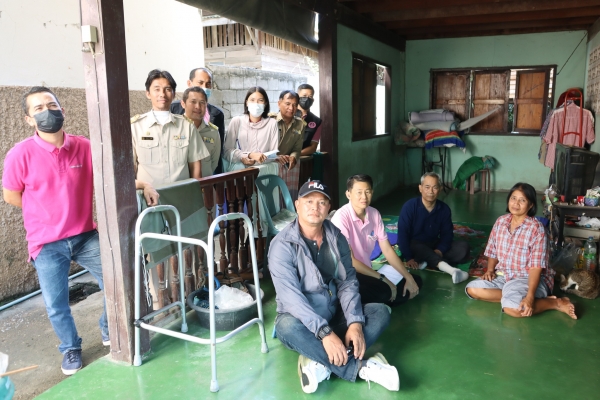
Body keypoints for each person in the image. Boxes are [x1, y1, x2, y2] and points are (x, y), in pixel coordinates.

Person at [2, 87, 109, 375]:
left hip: (85, 235)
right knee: (56, 304)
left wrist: (144, 184)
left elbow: (109, 176)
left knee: (116, 280)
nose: (46, 112)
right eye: (38, 108)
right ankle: (70, 348)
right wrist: (44, 210)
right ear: (28, 119)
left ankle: (110, 328)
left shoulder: (84, 147)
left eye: (51, 105)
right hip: (46, 243)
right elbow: (11, 195)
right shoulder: (20, 154)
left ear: (62, 110)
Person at [270, 180, 400, 394]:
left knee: (380, 312)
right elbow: (292, 300)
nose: (315, 207)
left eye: (321, 202)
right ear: (297, 205)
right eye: (309, 201)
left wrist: (355, 323)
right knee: (287, 327)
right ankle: (361, 367)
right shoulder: (282, 246)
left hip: (334, 312)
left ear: (329, 207)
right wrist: (324, 333)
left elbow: (347, 282)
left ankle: (320, 364)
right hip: (301, 321)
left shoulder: (336, 237)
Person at [465, 183, 577, 319]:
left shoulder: (536, 229)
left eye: (522, 200)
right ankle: (512, 297)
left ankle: (555, 303)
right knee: (472, 289)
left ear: (530, 205)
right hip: (504, 276)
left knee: (514, 309)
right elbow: (492, 251)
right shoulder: (501, 222)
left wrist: (530, 297)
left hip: (527, 278)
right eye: (513, 198)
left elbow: (536, 267)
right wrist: (489, 270)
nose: (516, 203)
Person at [332, 175, 422, 306]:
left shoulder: (374, 214)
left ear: (372, 192)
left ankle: (379, 299)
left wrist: (408, 277)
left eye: (367, 192)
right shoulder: (341, 218)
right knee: (384, 292)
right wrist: (382, 278)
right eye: (359, 192)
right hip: (348, 275)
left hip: (368, 272)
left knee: (415, 281)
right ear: (348, 194)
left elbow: (387, 250)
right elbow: (350, 261)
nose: (364, 197)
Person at [131, 69, 209, 189]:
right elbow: (130, 170)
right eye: (157, 89)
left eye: (167, 89)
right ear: (148, 94)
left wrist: (195, 192)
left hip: (181, 195)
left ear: (173, 94)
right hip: (148, 197)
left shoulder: (187, 126)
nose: (162, 94)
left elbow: (195, 167)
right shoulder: (135, 127)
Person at [397, 172, 470, 284]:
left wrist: (439, 250)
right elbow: (402, 234)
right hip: (415, 244)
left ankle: (427, 260)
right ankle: (452, 270)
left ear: (440, 189)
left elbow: (447, 234)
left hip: (434, 244)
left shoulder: (444, 209)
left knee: (463, 248)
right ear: (420, 188)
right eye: (427, 187)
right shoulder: (409, 207)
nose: (431, 191)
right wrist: (408, 257)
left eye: (435, 187)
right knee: (418, 248)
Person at [170, 67, 226, 173]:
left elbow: (216, 158)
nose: (204, 87)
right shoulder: (173, 108)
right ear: (189, 83)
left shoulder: (217, 114)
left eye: (208, 84)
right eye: (200, 83)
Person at [222, 86, 280, 168]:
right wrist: (247, 156)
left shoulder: (272, 124)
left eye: (260, 100)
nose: (256, 104)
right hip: (240, 172)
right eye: (252, 100)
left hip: (263, 171)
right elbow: (226, 151)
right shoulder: (237, 121)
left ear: (265, 103)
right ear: (247, 103)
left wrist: (259, 158)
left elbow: (273, 154)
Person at [270, 90, 305, 200]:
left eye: (295, 105)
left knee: (287, 197)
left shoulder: (300, 124)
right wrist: (274, 157)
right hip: (270, 165)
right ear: (279, 103)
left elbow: (297, 148)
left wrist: (294, 157)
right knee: (271, 198)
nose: (291, 108)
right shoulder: (269, 121)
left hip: (287, 167)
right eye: (288, 104)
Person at [180, 86, 220, 177]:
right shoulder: (174, 129)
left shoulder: (213, 132)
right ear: (183, 103)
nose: (198, 107)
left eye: (202, 103)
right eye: (193, 102)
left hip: (205, 183)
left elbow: (213, 163)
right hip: (181, 184)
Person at [296, 83, 322, 156]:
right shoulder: (288, 116)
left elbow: (313, 147)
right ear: (297, 97)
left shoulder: (317, 121)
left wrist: (295, 156)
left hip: (304, 159)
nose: (307, 99)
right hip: (283, 159)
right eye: (304, 96)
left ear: (313, 100)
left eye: (310, 96)